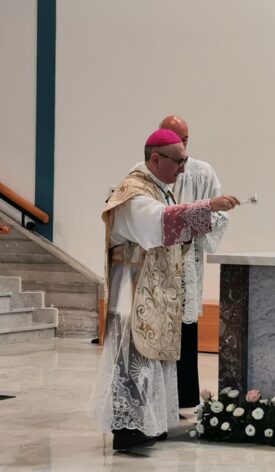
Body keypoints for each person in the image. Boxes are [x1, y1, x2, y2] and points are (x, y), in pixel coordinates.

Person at [91, 129, 239, 451]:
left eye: (185, 161)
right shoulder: (133, 192)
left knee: (154, 360)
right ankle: (128, 429)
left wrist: (203, 218)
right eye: (178, 161)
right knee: (132, 360)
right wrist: (206, 206)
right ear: (156, 159)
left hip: (154, 290)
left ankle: (150, 423)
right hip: (133, 290)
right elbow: (157, 224)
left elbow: (175, 232)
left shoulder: (160, 190)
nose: (183, 169)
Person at [158, 115, 228, 411]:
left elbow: (220, 215)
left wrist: (190, 226)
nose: (182, 145)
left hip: (187, 261)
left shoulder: (202, 171)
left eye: (185, 139)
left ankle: (184, 397)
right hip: (159, 263)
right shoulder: (149, 172)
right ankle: (158, 399)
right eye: (176, 139)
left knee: (186, 331)